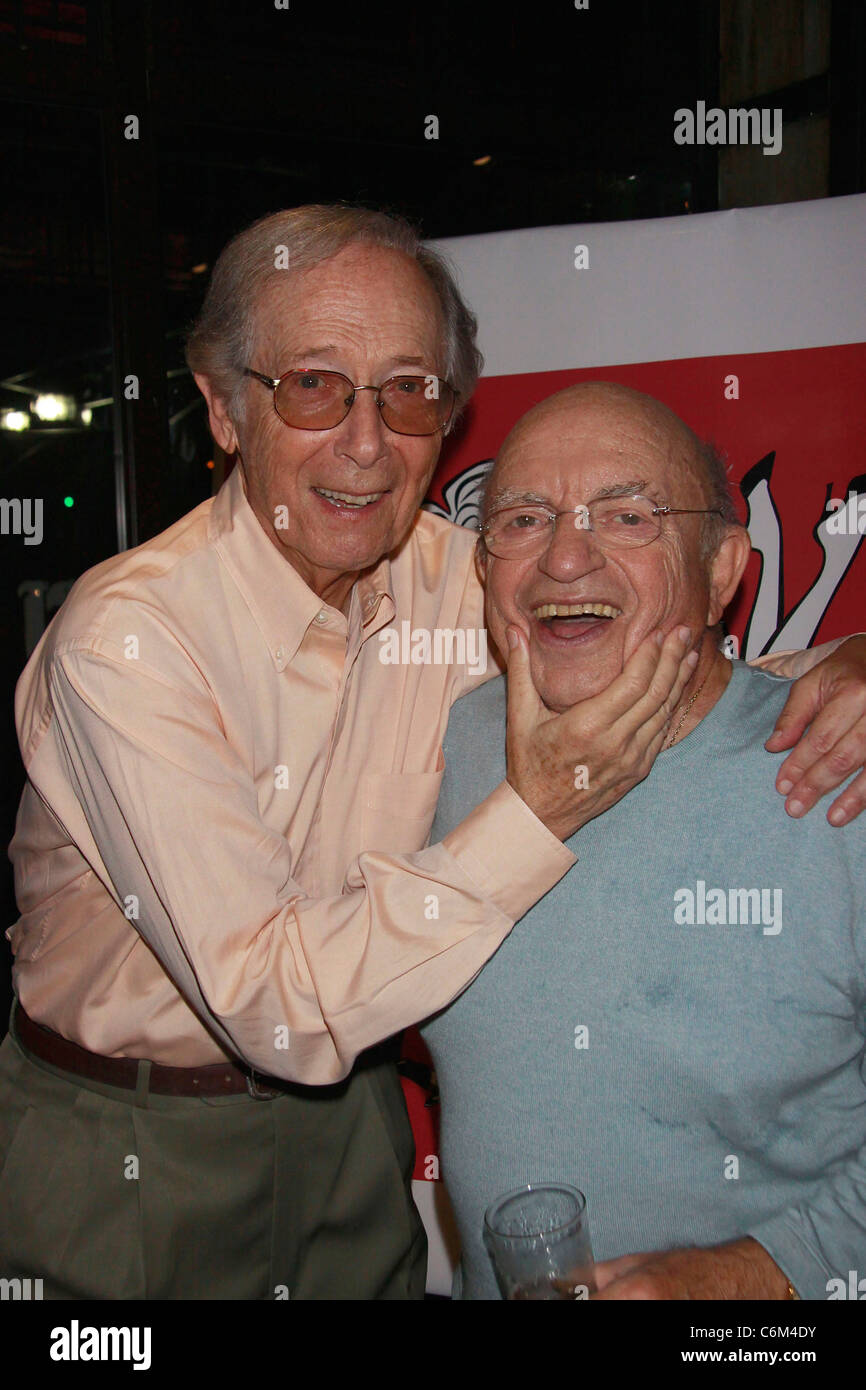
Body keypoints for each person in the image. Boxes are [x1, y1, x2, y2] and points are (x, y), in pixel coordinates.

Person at [0, 208, 863, 1301]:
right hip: (127, 1142)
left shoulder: (459, 571)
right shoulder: (127, 640)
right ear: (221, 406)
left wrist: (855, 658)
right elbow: (274, 1005)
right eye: (314, 384)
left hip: (348, 1124)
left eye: (406, 390)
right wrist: (540, 805)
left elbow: (635, 600)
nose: (365, 442)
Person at [421, 381, 866, 1300]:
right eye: (524, 518)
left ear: (720, 571)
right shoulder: (434, 752)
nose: (565, 558)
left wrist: (754, 1279)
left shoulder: (840, 768)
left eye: (627, 516)